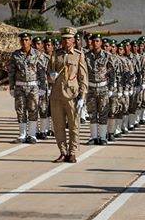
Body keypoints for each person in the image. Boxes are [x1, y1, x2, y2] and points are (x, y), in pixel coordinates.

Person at [49, 27, 87, 163]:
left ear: (73, 40)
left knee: (74, 126)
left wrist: (82, 96)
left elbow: (83, 77)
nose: (66, 41)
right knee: (58, 126)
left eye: (69, 39)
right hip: (56, 95)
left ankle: (72, 152)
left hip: (72, 95)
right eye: (64, 39)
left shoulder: (78, 55)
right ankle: (63, 152)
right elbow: (49, 73)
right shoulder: (55, 54)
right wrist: (51, 76)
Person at [8, 32, 41, 144]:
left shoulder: (37, 54)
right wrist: (11, 87)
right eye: (22, 40)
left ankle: (32, 135)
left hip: (33, 86)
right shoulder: (15, 55)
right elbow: (11, 72)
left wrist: (42, 87)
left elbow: (41, 71)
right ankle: (22, 135)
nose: (24, 42)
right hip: (20, 86)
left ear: (30, 41)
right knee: (20, 110)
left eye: (26, 40)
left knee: (33, 109)